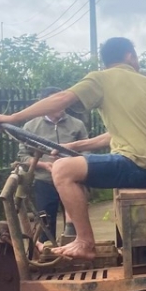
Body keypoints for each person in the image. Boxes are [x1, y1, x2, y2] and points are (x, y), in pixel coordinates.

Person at [0, 37, 146, 260]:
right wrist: (73, 145)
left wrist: (12, 117)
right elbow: (115, 134)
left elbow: (62, 99)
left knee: (62, 169)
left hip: (139, 167)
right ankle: (72, 235)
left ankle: (84, 242)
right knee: (70, 163)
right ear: (130, 56)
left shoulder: (102, 78)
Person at [22, 87, 89, 242]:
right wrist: (44, 165)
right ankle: (48, 255)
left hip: (74, 181)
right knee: (44, 223)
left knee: (76, 223)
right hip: (45, 181)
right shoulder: (30, 127)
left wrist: (75, 166)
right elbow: (23, 156)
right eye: (55, 102)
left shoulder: (77, 125)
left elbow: (86, 152)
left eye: (61, 102)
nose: (60, 106)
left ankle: (77, 254)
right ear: (45, 104)